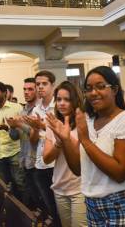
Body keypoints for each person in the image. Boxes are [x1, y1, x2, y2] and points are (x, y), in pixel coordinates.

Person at [55, 66, 125, 226]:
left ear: (115, 89)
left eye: (100, 87)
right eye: (89, 89)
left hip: (121, 202)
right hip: (92, 203)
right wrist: (65, 141)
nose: (93, 93)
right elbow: (78, 169)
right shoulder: (89, 121)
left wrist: (85, 140)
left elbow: (120, 173)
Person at [43, 81, 86, 227]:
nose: (61, 103)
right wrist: (59, 142)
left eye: (67, 99)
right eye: (59, 99)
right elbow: (47, 159)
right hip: (60, 186)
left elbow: (82, 156)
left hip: (80, 187)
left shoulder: (84, 122)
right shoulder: (53, 125)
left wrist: (66, 138)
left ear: (76, 101)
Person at [23, 71, 59, 223]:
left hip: (56, 162)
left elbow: (64, 133)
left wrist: (42, 125)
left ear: (53, 85)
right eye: (38, 84)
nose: (40, 87)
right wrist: (35, 128)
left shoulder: (58, 106)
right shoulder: (36, 109)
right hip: (40, 162)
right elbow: (32, 140)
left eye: (44, 84)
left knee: (60, 205)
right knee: (49, 204)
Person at [0, 81, 25, 199]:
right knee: (2, 185)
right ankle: (8, 212)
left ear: (4, 92)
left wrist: (9, 128)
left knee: (20, 183)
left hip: (15, 151)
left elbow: (22, 132)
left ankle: (25, 211)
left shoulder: (16, 108)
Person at [8, 78, 41, 209]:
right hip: (25, 158)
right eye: (24, 89)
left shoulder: (39, 110)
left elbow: (38, 136)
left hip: (37, 160)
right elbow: (14, 137)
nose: (26, 92)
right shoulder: (22, 111)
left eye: (30, 89)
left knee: (41, 197)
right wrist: (12, 126)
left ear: (37, 91)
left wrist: (20, 125)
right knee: (31, 195)